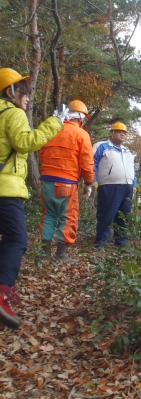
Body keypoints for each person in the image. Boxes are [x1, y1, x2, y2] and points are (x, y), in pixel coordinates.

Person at [0, 67, 65, 329]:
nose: (27, 97)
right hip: (6, 191)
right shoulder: (12, 113)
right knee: (16, 239)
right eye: (24, 92)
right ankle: (2, 293)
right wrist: (54, 123)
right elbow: (25, 143)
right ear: (10, 91)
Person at [39, 100, 95, 261]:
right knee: (68, 216)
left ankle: (45, 253)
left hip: (46, 181)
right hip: (67, 183)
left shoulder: (52, 129)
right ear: (81, 118)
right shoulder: (81, 134)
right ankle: (61, 254)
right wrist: (89, 183)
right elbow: (87, 162)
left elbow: (42, 153)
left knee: (48, 215)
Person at [92, 122, 136, 250]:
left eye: (125, 132)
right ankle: (100, 243)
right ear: (111, 133)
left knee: (124, 216)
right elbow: (91, 163)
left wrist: (134, 183)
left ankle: (121, 243)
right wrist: (93, 180)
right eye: (119, 131)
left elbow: (132, 168)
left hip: (127, 187)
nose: (123, 134)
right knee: (107, 215)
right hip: (109, 186)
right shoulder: (102, 146)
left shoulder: (127, 151)